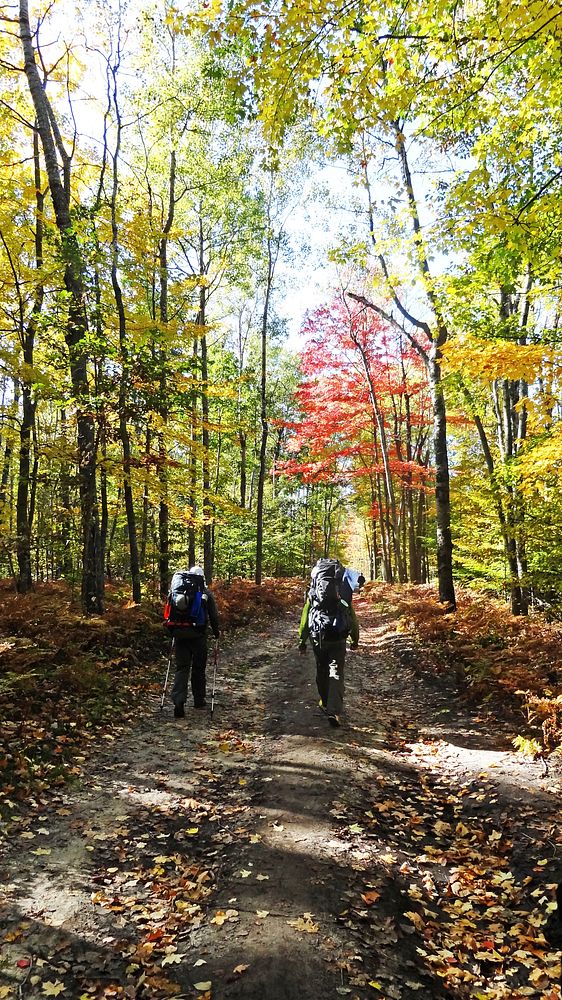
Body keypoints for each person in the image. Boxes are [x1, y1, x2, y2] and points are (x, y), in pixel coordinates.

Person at [298, 561, 359, 728]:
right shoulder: (343, 594)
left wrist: (302, 641)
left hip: (319, 637)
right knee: (336, 672)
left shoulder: (313, 594)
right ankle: (334, 711)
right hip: (338, 638)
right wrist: (355, 639)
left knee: (322, 670)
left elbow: (305, 618)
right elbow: (351, 617)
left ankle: (325, 703)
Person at [170, 566, 220, 718]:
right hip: (198, 635)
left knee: (182, 668)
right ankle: (199, 699)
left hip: (179, 634)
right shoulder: (206, 593)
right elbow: (213, 615)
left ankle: (179, 701)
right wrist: (217, 632)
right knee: (198, 668)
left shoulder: (178, 590)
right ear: (202, 578)